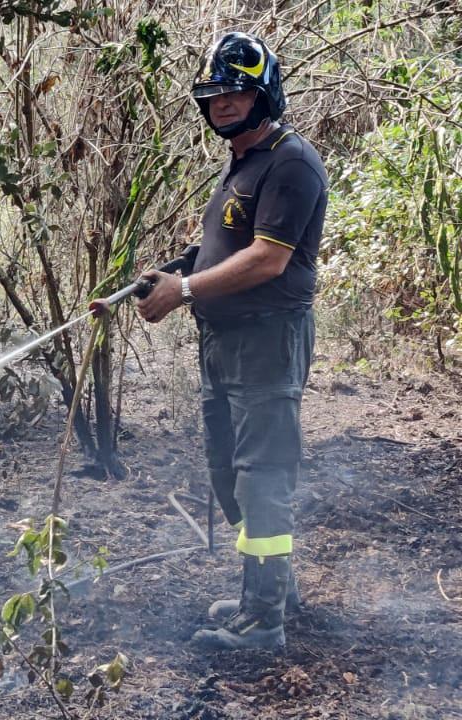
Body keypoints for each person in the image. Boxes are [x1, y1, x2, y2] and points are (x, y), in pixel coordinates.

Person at [131, 32, 328, 650]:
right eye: (215, 95)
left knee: (262, 475)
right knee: (230, 472)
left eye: (237, 93)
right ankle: (271, 588)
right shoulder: (246, 161)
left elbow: (268, 260)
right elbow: (227, 245)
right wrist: (173, 271)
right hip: (224, 342)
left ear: (265, 93)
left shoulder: (290, 161)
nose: (224, 104)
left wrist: (185, 290)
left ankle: (264, 619)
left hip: (266, 341)